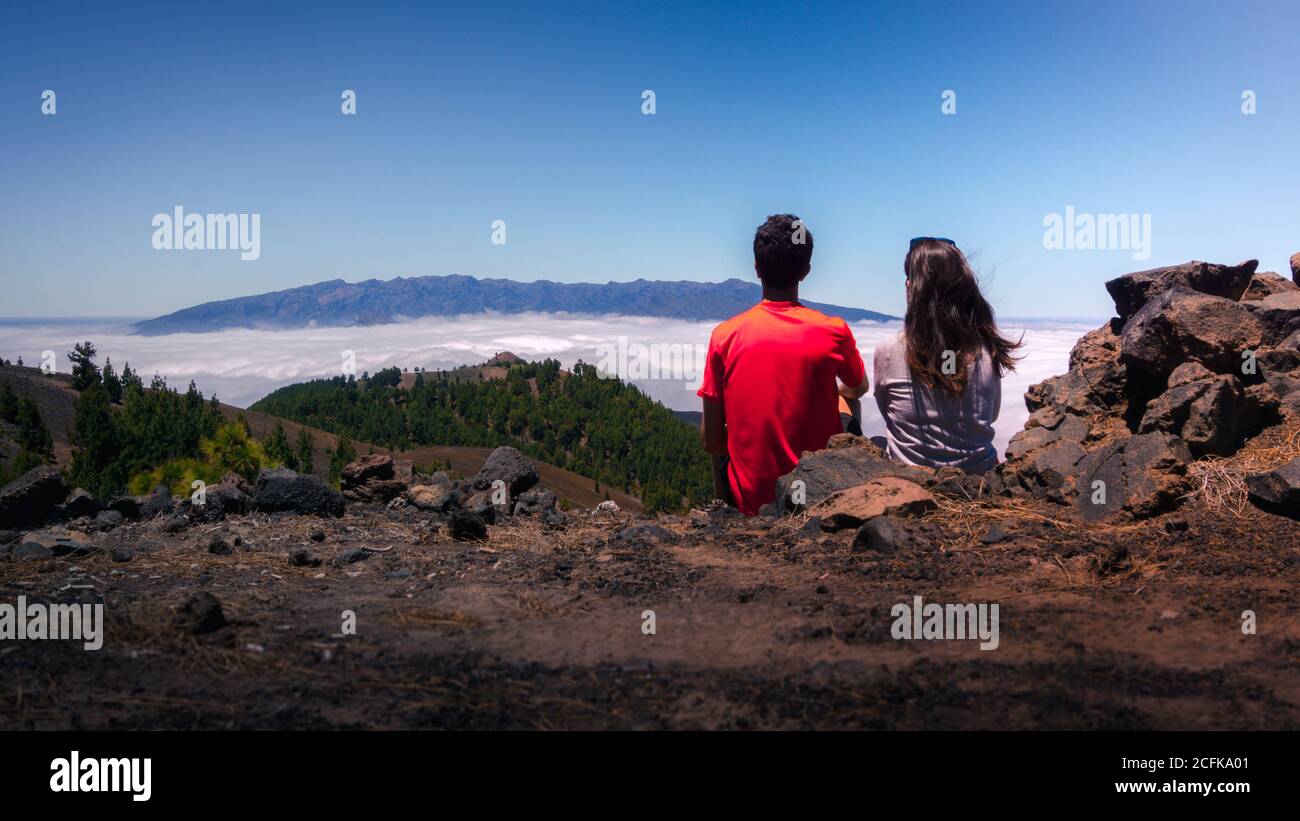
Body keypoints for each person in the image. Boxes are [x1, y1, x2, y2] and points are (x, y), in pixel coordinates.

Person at [698, 214, 870, 515]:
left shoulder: (724, 336)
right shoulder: (835, 330)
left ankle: (726, 506)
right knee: (844, 398)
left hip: (752, 500)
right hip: (819, 492)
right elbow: (859, 387)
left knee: (719, 417)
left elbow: (711, 439)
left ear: (756, 268)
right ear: (806, 271)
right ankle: (845, 490)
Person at [873, 237, 1022, 473]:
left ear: (910, 287)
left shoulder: (888, 350)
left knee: (875, 444)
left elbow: (889, 413)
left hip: (911, 481)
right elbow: (990, 416)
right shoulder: (986, 350)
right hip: (978, 476)